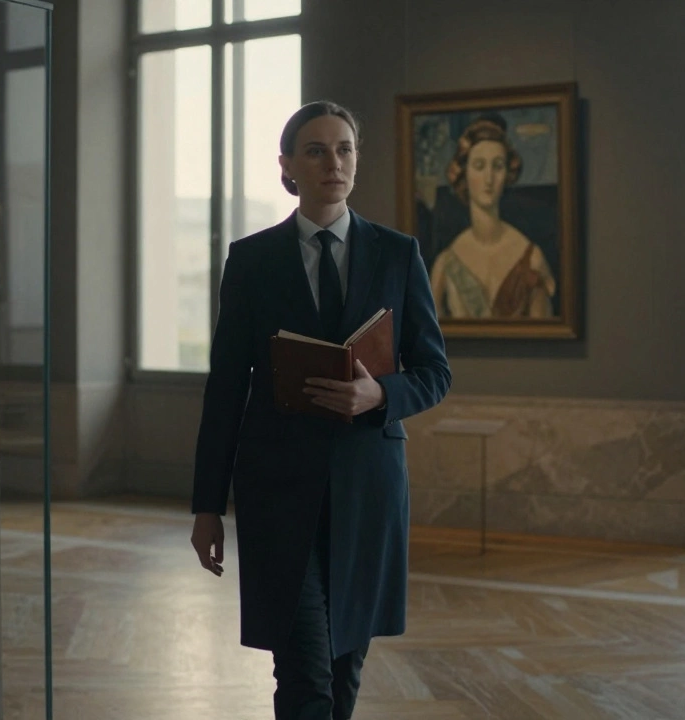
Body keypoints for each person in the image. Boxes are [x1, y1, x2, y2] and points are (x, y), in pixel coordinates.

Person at [190, 101, 451, 720]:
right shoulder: (252, 261)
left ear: (356, 160)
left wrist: (380, 394)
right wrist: (206, 506)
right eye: (316, 150)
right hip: (278, 490)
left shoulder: (397, 254)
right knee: (304, 670)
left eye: (344, 149)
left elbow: (435, 372)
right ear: (287, 166)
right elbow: (226, 388)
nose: (333, 162)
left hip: (368, 491)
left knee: (342, 672)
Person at [428, 114, 556, 319]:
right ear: (464, 173)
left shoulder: (531, 259)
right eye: (479, 166)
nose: (489, 178)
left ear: (507, 174)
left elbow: (547, 340)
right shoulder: (446, 264)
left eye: (497, 166)